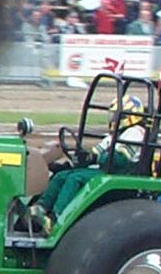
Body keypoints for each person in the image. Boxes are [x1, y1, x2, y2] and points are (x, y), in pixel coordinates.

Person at [27, 95, 148, 235]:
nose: (113, 119)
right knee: (61, 175)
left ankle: (56, 219)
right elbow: (96, 153)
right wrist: (82, 159)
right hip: (108, 169)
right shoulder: (116, 134)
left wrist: (96, 158)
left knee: (75, 178)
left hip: (121, 173)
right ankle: (40, 208)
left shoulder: (135, 133)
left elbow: (119, 160)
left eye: (116, 116)